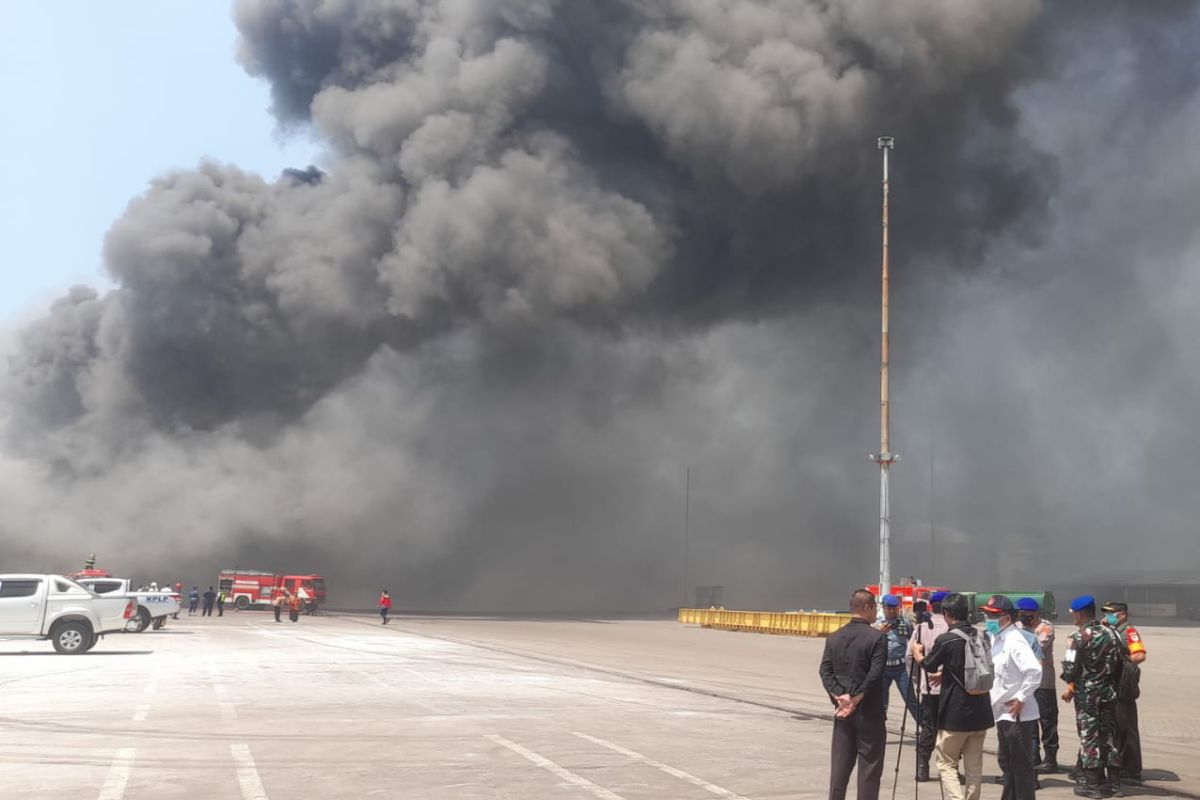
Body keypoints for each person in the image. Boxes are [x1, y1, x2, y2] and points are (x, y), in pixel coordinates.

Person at [912, 592, 994, 800]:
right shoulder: (982, 636)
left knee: (946, 763)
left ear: (946, 613)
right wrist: (946, 673)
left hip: (956, 714)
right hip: (982, 711)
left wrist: (918, 654)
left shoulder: (946, 640)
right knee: (974, 766)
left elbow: (929, 665)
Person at [819, 589, 887, 800]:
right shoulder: (877, 638)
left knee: (839, 770)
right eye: (875, 607)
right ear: (867, 608)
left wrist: (841, 696)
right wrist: (857, 698)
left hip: (843, 713)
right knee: (869, 771)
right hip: (869, 714)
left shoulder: (834, 637)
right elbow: (875, 675)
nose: (876, 611)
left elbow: (825, 671)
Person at [1062, 595, 1124, 798]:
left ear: (1079, 614)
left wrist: (1073, 681)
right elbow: (1121, 663)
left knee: (1089, 738)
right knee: (1109, 737)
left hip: (1087, 696)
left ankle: (1093, 784)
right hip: (1109, 692)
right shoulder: (1112, 633)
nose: (1072, 618)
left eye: (1073, 614)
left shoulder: (1077, 637)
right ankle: (1115, 784)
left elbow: (1070, 669)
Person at [981, 595, 1041, 800]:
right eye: (987, 614)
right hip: (1002, 713)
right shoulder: (997, 638)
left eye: (992, 615)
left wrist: (1022, 697)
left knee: (1021, 766)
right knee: (1007, 763)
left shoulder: (1015, 640)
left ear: (1006, 618)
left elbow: (1034, 671)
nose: (987, 619)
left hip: (1016, 715)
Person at [909, 591, 950, 782]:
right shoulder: (951, 627)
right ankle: (950, 769)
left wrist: (919, 680)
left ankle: (922, 767)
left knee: (928, 727)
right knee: (950, 729)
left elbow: (910, 657)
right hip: (949, 688)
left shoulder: (920, 628)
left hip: (928, 687)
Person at [1102, 601, 1145, 784]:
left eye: (1110, 613)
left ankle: (1132, 769)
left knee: (1126, 726)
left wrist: (1122, 659)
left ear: (1122, 615)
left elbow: (1139, 655)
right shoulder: (1112, 631)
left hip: (1124, 685)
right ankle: (1120, 764)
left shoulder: (1128, 631)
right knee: (1117, 726)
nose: (1107, 616)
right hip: (1113, 684)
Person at [1018, 597, 1059, 775]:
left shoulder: (1045, 628)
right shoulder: (1019, 628)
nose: (1022, 618)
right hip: (1026, 683)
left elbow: (1035, 647)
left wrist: (1022, 634)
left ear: (1033, 614)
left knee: (1047, 721)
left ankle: (1051, 759)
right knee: (1030, 722)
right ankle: (1034, 757)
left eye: (1025, 615)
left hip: (1043, 683)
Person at [876, 594, 920, 723]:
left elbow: (914, 640)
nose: (891, 611)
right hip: (883, 668)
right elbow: (869, 643)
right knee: (881, 702)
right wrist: (880, 634)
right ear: (883, 608)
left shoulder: (904, 622)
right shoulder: (877, 623)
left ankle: (926, 729)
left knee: (911, 700)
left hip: (901, 668)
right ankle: (879, 730)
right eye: (888, 608)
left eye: (894, 608)